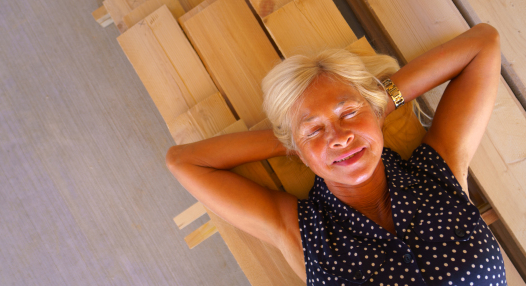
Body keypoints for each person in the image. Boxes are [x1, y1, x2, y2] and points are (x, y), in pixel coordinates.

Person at [166, 23, 504, 285]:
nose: (340, 138)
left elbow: (483, 43)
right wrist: (295, 140)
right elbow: (184, 161)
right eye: (315, 130)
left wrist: (378, 106)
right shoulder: (302, 234)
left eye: (349, 114)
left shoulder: (438, 172)